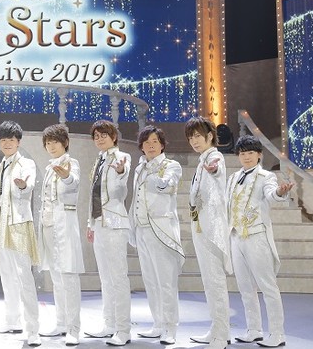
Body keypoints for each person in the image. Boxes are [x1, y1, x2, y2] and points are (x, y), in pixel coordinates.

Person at [227, 135, 293, 348]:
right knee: (245, 287)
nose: (246, 157)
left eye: (250, 153)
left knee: (268, 286)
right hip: (236, 236)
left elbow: (271, 195)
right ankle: (254, 329)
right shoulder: (233, 177)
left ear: (259, 155)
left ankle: (278, 333)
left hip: (256, 236)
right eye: (242, 153)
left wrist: (280, 192)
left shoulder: (266, 176)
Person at [128, 125, 184, 346]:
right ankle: (158, 324)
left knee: (166, 282)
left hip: (161, 229)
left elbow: (165, 187)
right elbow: (135, 199)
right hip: (142, 229)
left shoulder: (171, 166)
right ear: (141, 146)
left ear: (162, 145)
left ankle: (170, 327)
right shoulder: (139, 168)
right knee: (150, 281)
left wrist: (151, 172)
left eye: (155, 141)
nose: (150, 146)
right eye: (146, 142)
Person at [0, 120, 41, 347]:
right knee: (7, 276)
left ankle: (33, 329)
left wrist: (22, 186)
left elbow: (27, 187)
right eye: (3, 140)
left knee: (24, 277)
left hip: (18, 225)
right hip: (1, 226)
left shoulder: (26, 163)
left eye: (11, 139)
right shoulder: (0, 166)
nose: (7, 143)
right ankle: (12, 320)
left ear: (18, 142)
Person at [84, 120, 132, 346]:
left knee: (118, 278)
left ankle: (123, 329)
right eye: (96, 136)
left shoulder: (122, 157)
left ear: (114, 137)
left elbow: (120, 187)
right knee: (105, 278)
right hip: (99, 224)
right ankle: (109, 324)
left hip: (114, 223)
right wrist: (90, 223)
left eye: (104, 135)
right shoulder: (99, 160)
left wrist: (121, 172)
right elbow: (93, 194)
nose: (100, 139)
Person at [185, 116, 231, 349]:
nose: (194, 141)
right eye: (191, 137)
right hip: (201, 226)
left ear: (210, 136)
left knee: (215, 281)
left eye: (198, 136)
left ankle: (221, 335)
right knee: (208, 282)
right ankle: (217, 328)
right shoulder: (202, 159)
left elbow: (217, 169)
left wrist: (214, 170)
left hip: (212, 229)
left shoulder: (214, 157)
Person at [37, 124, 84, 346]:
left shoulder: (71, 163)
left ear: (65, 142)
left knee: (68, 277)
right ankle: (61, 322)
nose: (51, 146)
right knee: (56, 277)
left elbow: (73, 183)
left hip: (64, 226)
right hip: (48, 227)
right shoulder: (49, 168)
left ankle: (74, 328)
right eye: (47, 143)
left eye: (55, 141)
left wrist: (66, 177)